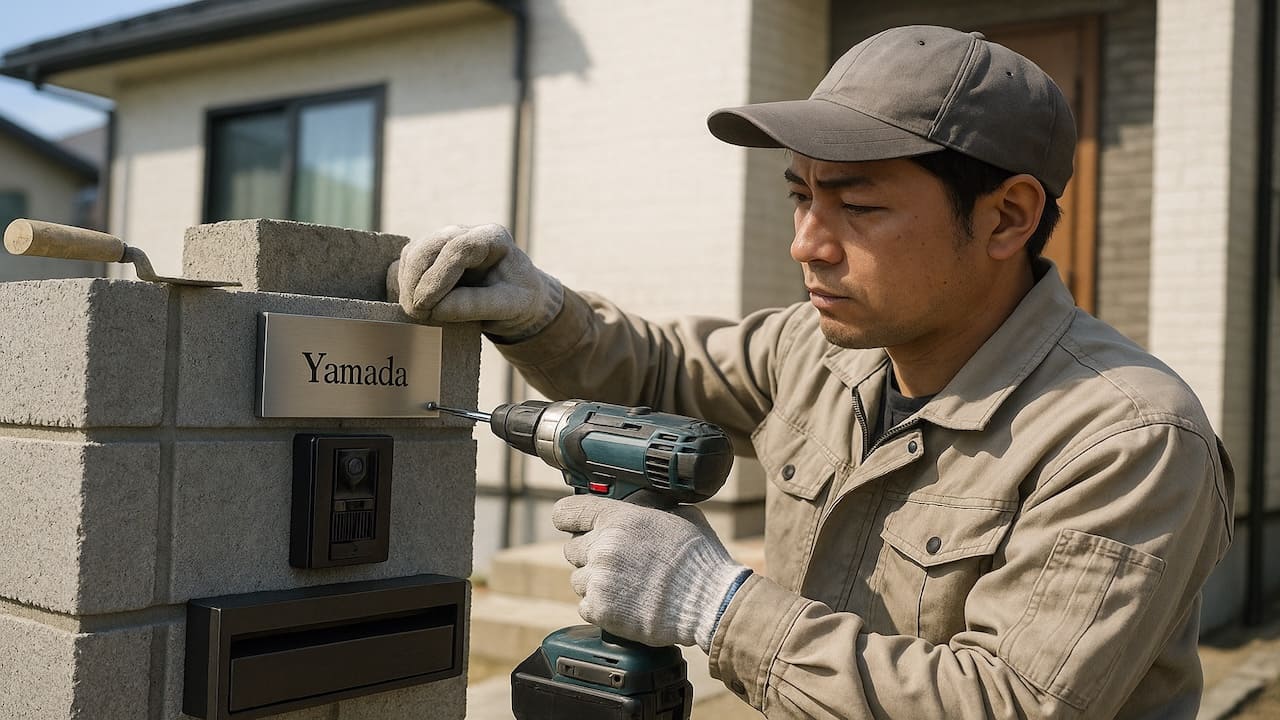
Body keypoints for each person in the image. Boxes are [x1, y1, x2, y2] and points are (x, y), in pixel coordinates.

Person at [392, 25, 1234, 719]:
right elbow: (660, 371)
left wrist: (717, 605)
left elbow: (1009, 704)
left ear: (1007, 216)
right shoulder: (822, 347)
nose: (807, 244)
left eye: (858, 206)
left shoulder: (1129, 439)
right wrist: (539, 310)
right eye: (801, 196)